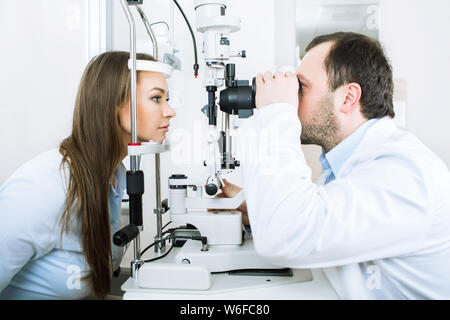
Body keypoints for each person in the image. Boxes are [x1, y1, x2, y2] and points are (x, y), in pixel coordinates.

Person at [219, 32, 450, 299]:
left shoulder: (404, 175)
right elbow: (319, 222)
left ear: (348, 97)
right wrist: (259, 210)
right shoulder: (348, 161)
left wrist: (276, 113)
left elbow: (285, 236)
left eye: (301, 87)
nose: (293, 99)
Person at [0, 51, 176, 299]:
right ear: (114, 102)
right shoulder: (46, 185)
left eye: (167, 99)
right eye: (156, 98)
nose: (170, 111)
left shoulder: (115, 179)